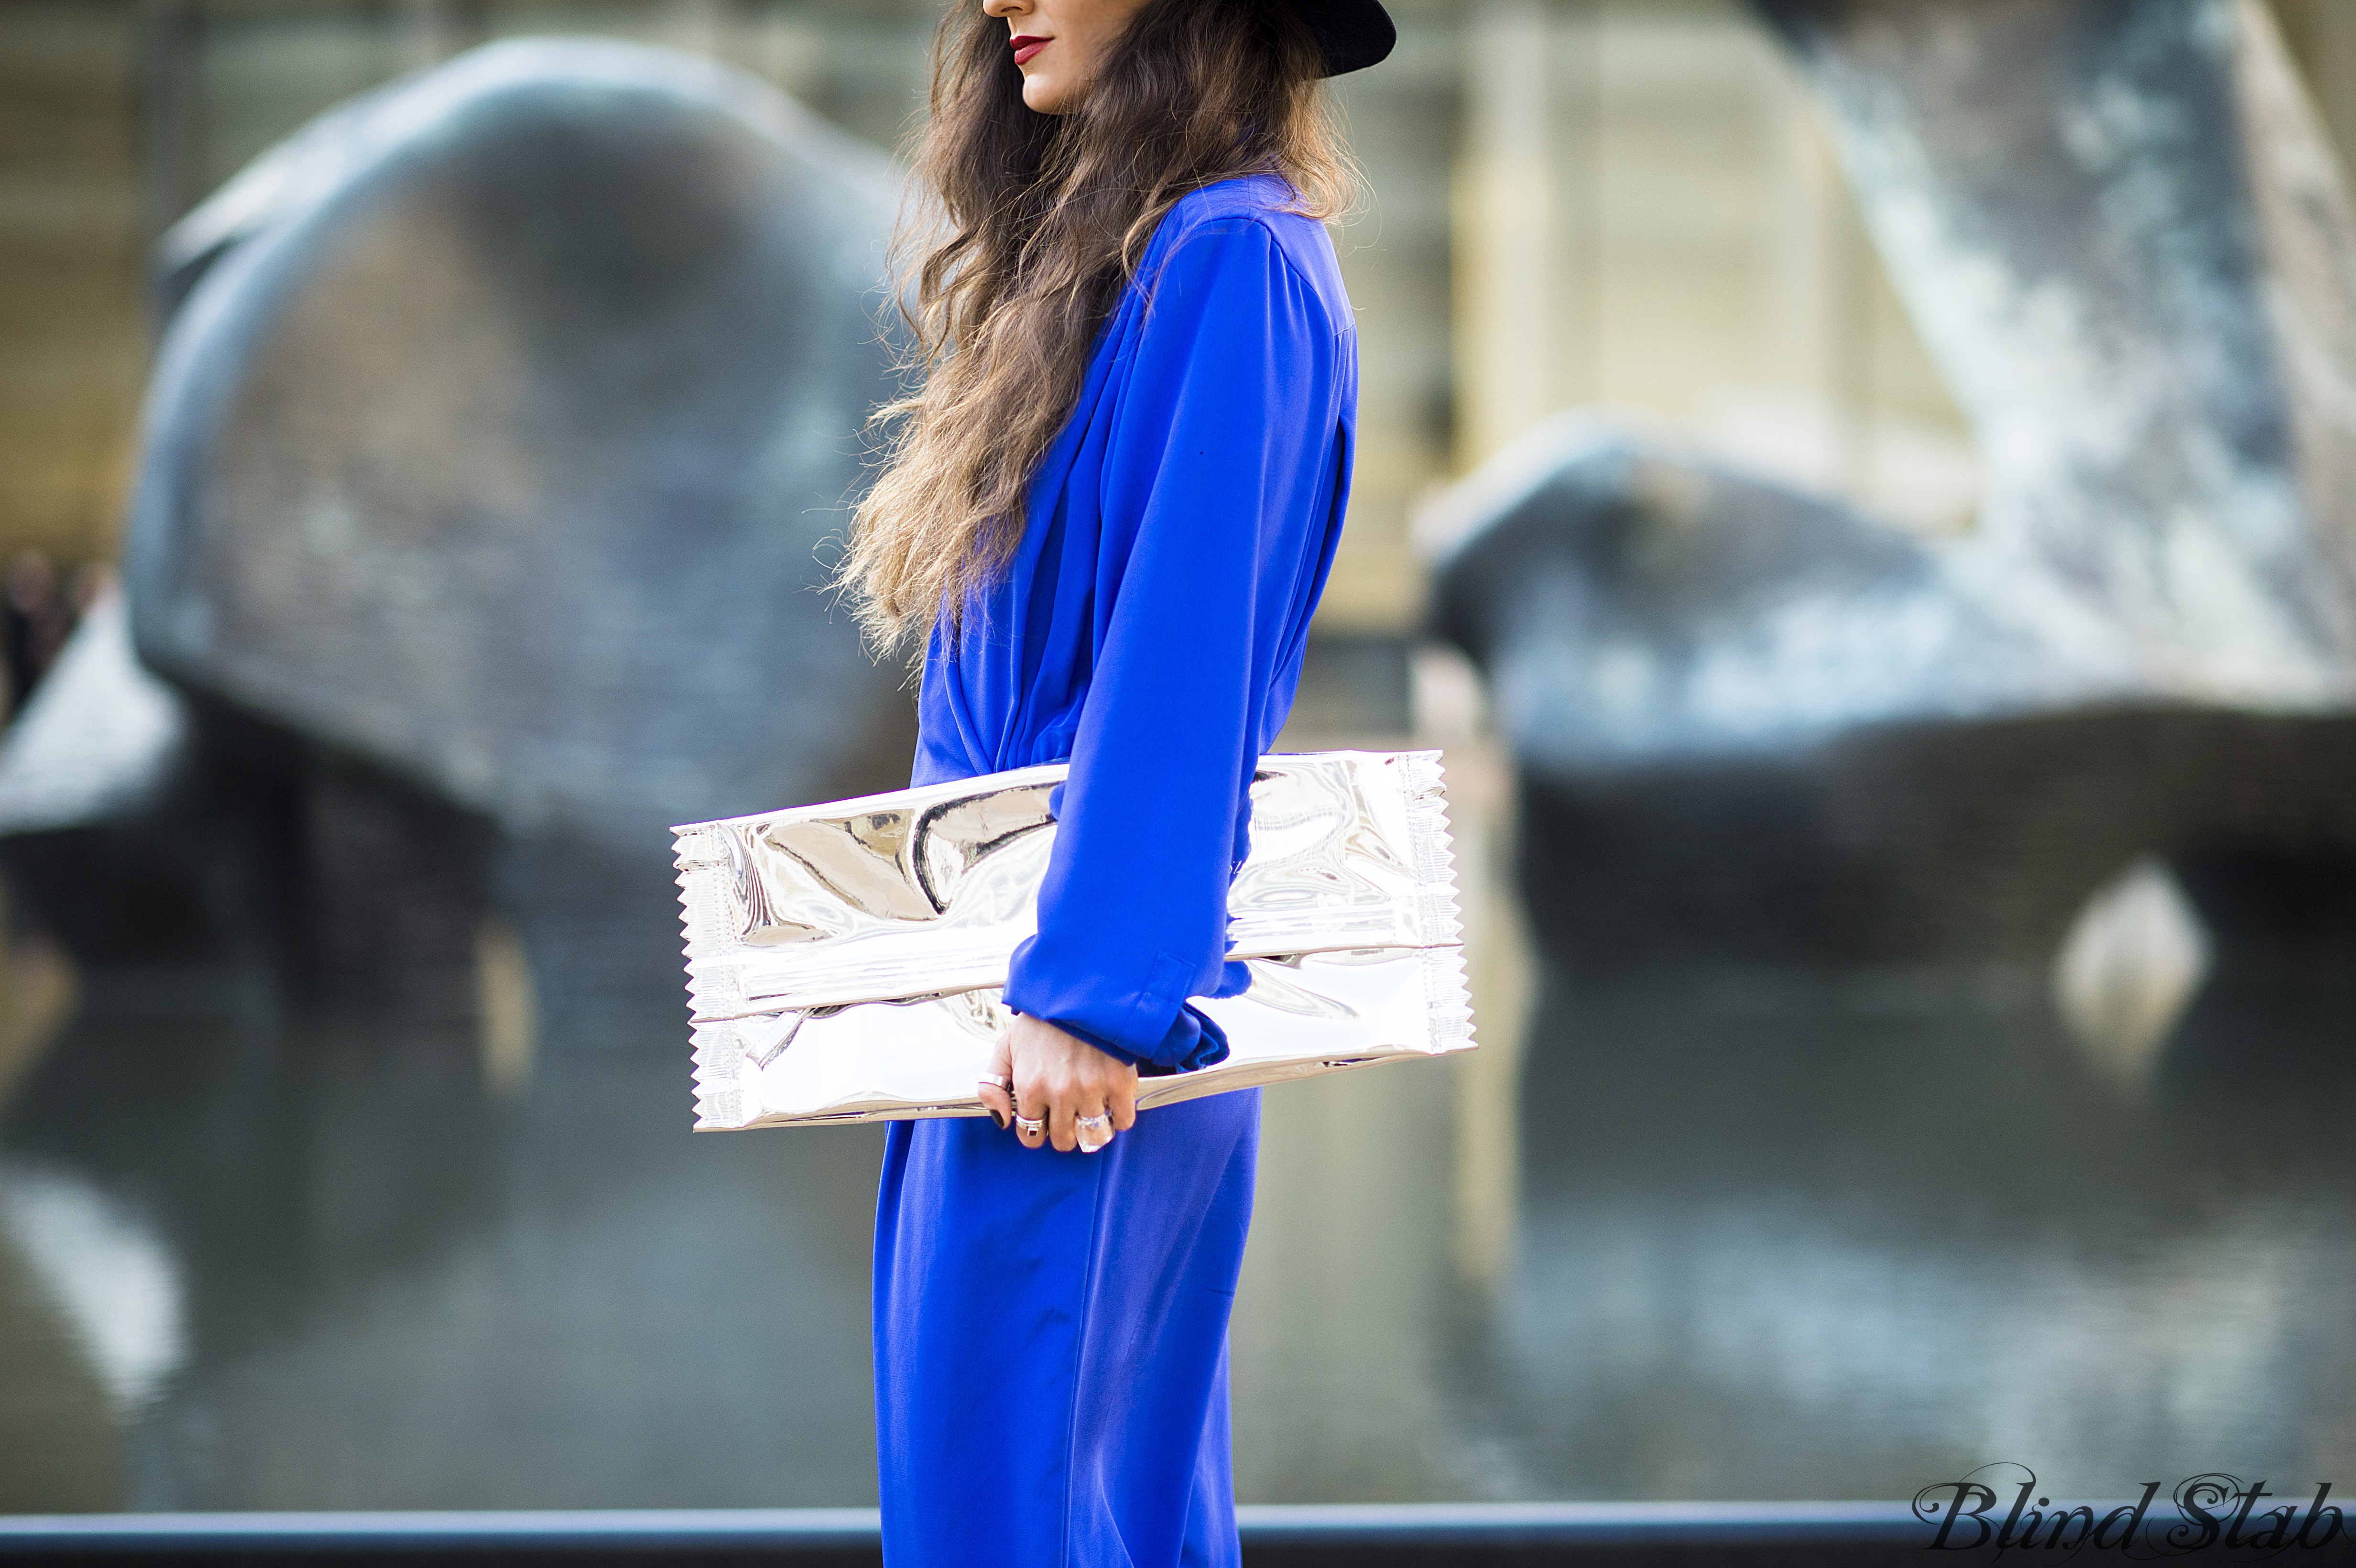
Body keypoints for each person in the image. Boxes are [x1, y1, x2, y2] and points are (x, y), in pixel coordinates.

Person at [836, 0, 1391, 1554]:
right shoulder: (1113, 271)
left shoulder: (1234, 262)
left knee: (1025, 1517)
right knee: (1023, 1505)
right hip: (1006, 1003)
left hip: (1079, 1034)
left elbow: (1187, 660)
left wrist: (1092, 991)